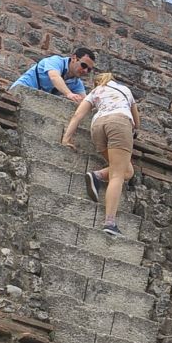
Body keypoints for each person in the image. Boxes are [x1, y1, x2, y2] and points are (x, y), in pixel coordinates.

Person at [61, 71, 140, 238]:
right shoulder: (125, 90)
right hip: (119, 123)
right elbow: (137, 122)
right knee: (118, 174)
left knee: (128, 171)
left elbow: (78, 115)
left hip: (97, 126)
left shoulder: (95, 92)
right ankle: (110, 223)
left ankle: (98, 175)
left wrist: (66, 138)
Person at [10, 48, 96, 102]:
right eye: (84, 65)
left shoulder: (76, 83)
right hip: (19, 91)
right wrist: (69, 94)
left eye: (89, 69)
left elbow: (85, 101)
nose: (85, 71)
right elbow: (54, 77)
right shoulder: (55, 61)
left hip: (36, 100)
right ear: (74, 58)